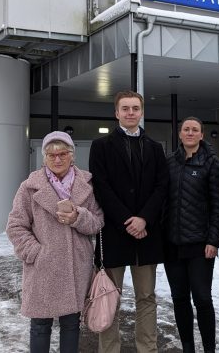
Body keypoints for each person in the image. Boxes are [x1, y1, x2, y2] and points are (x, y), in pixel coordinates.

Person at [6, 131, 104, 353]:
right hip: (43, 267)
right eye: (51, 155)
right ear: (44, 158)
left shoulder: (87, 185)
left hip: (75, 266)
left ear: (72, 155)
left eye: (62, 154)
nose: (57, 159)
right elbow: (15, 225)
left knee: (71, 324)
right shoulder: (29, 187)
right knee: (40, 324)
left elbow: (98, 222)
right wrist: (36, 253)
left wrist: (78, 216)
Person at [88, 90, 169, 353]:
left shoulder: (155, 148)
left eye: (135, 108)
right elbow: (101, 187)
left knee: (146, 297)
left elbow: (162, 186)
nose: (130, 112)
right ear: (117, 113)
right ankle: (109, 349)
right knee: (110, 297)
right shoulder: (101, 147)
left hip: (146, 236)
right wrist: (127, 220)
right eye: (125, 108)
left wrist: (144, 218)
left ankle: (148, 348)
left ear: (141, 111)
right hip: (114, 233)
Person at [163, 117, 219, 353]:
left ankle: (208, 348)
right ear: (180, 134)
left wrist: (214, 239)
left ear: (201, 135)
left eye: (195, 130)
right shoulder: (169, 161)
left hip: (200, 245)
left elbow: (218, 205)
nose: (190, 133)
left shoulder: (212, 163)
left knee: (202, 298)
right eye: (186, 129)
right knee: (179, 298)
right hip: (172, 244)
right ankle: (188, 347)